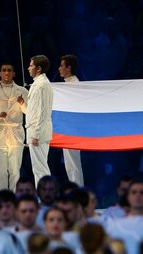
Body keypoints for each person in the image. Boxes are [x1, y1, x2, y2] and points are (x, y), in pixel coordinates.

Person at [19, 55, 54, 185]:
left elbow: (43, 112)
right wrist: (23, 106)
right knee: (38, 169)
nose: (28, 68)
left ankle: (45, 200)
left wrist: (36, 134)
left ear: (38, 69)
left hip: (38, 133)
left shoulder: (42, 85)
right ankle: (43, 199)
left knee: (41, 169)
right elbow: (34, 112)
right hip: (35, 131)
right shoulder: (38, 84)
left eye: (31, 66)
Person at [58, 54, 85, 186]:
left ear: (68, 68)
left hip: (73, 129)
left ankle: (78, 194)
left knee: (73, 162)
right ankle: (76, 191)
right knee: (69, 163)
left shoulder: (75, 84)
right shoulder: (67, 84)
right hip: (67, 128)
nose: (59, 69)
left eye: (62, 66)